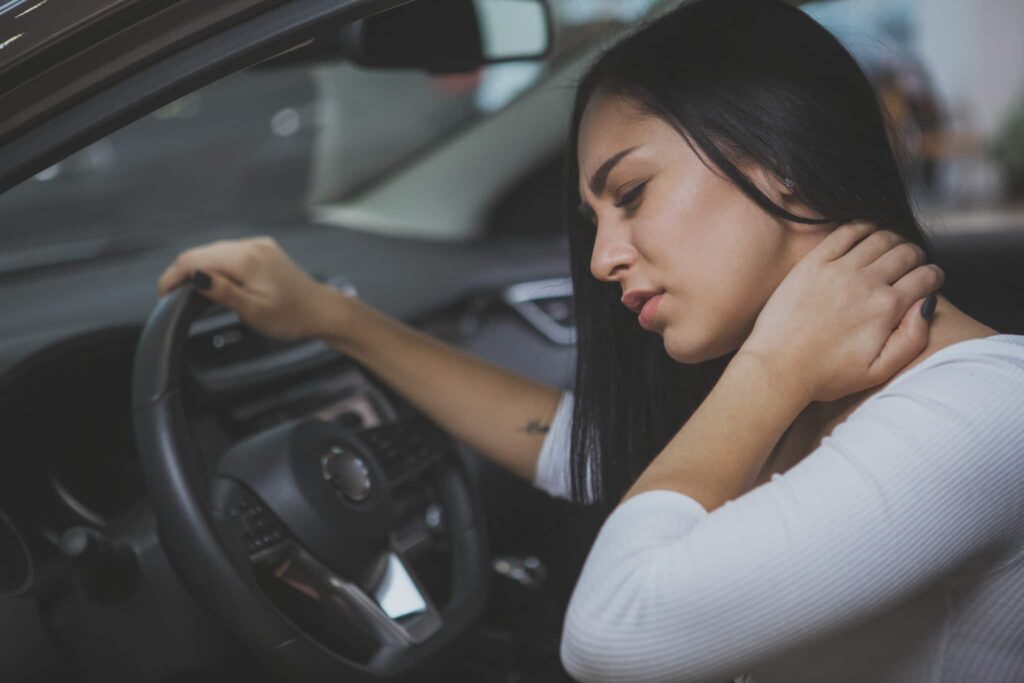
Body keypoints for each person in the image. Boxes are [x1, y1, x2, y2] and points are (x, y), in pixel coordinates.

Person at [158, 0, 1024, 680]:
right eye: (593, 219)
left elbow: (614, 633)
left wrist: (771, 365)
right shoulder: (821, 391)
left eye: (633, 192)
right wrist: (332, 317)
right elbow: (576, 441)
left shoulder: (981, 409)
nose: (605, 257)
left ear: (779, 157)